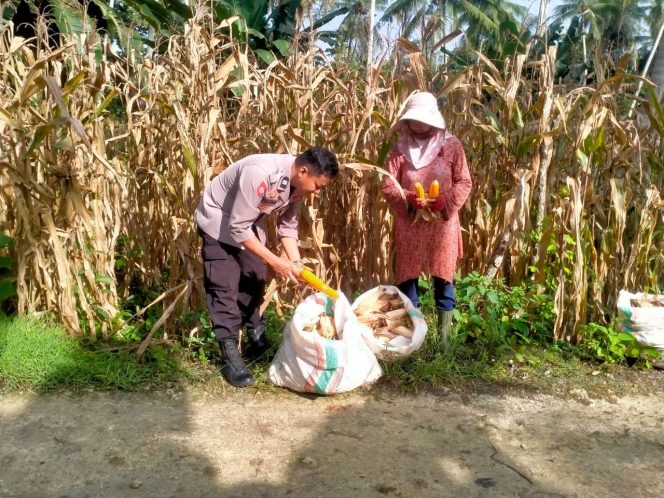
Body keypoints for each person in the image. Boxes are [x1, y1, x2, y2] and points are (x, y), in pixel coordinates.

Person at [195, 147, 340, 387]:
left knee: (255, 277)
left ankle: (256, 338)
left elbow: (287, 226)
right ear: (303, 171)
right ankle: (229, 352)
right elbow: (237, 228)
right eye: (318, 185)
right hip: (219, 224)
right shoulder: (260, 173)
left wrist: (295, 262)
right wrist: (275, 261)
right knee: (224, 288)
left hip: (247, 224)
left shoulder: (298, 184)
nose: (317, 192)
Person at [381, 92, 472, 349]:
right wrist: (409, 199)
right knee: (408, 277)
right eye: (413, 121)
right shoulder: (400, 149)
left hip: (443, 225)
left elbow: (464, 182)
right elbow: (388, 184)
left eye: (422, 121)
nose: (418, 126)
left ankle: (443, 342)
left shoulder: (452, 146)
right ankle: (414, 339)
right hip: (410, 223)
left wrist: (446, 202)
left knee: (444, 277)